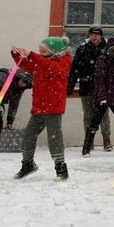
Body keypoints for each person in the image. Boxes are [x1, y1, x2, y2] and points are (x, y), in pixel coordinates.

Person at [12, 37, 74, 181]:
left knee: (54, 138)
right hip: (39, 107)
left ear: (54, 51)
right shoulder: (41, 62)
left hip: (54, 107)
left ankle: (60, 168)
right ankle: (28, 164)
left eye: (44, 51)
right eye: (40, 51)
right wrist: (16, 54)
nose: (41, 53)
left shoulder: (63, 62)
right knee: (28, 135)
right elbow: (26, 64)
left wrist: (32, 54)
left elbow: (49, 66)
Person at [83, 37, 114, 155]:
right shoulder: (102, 60)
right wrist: (102, 97)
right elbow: (99, 80)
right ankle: (86, 148)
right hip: (104, 96)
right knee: (95, 122)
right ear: (112, 49)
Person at [67, 27, 113, 152]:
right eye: (92, 35)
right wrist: (69, 87)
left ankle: (106, 139)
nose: (94, 37)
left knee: (104, 114)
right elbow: (74, 69)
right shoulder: (82, 48)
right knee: (88, 115)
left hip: (103, 88)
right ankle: (89, 140)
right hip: (86, 86)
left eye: (96, 35)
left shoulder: (108, 48)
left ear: (101, 36)